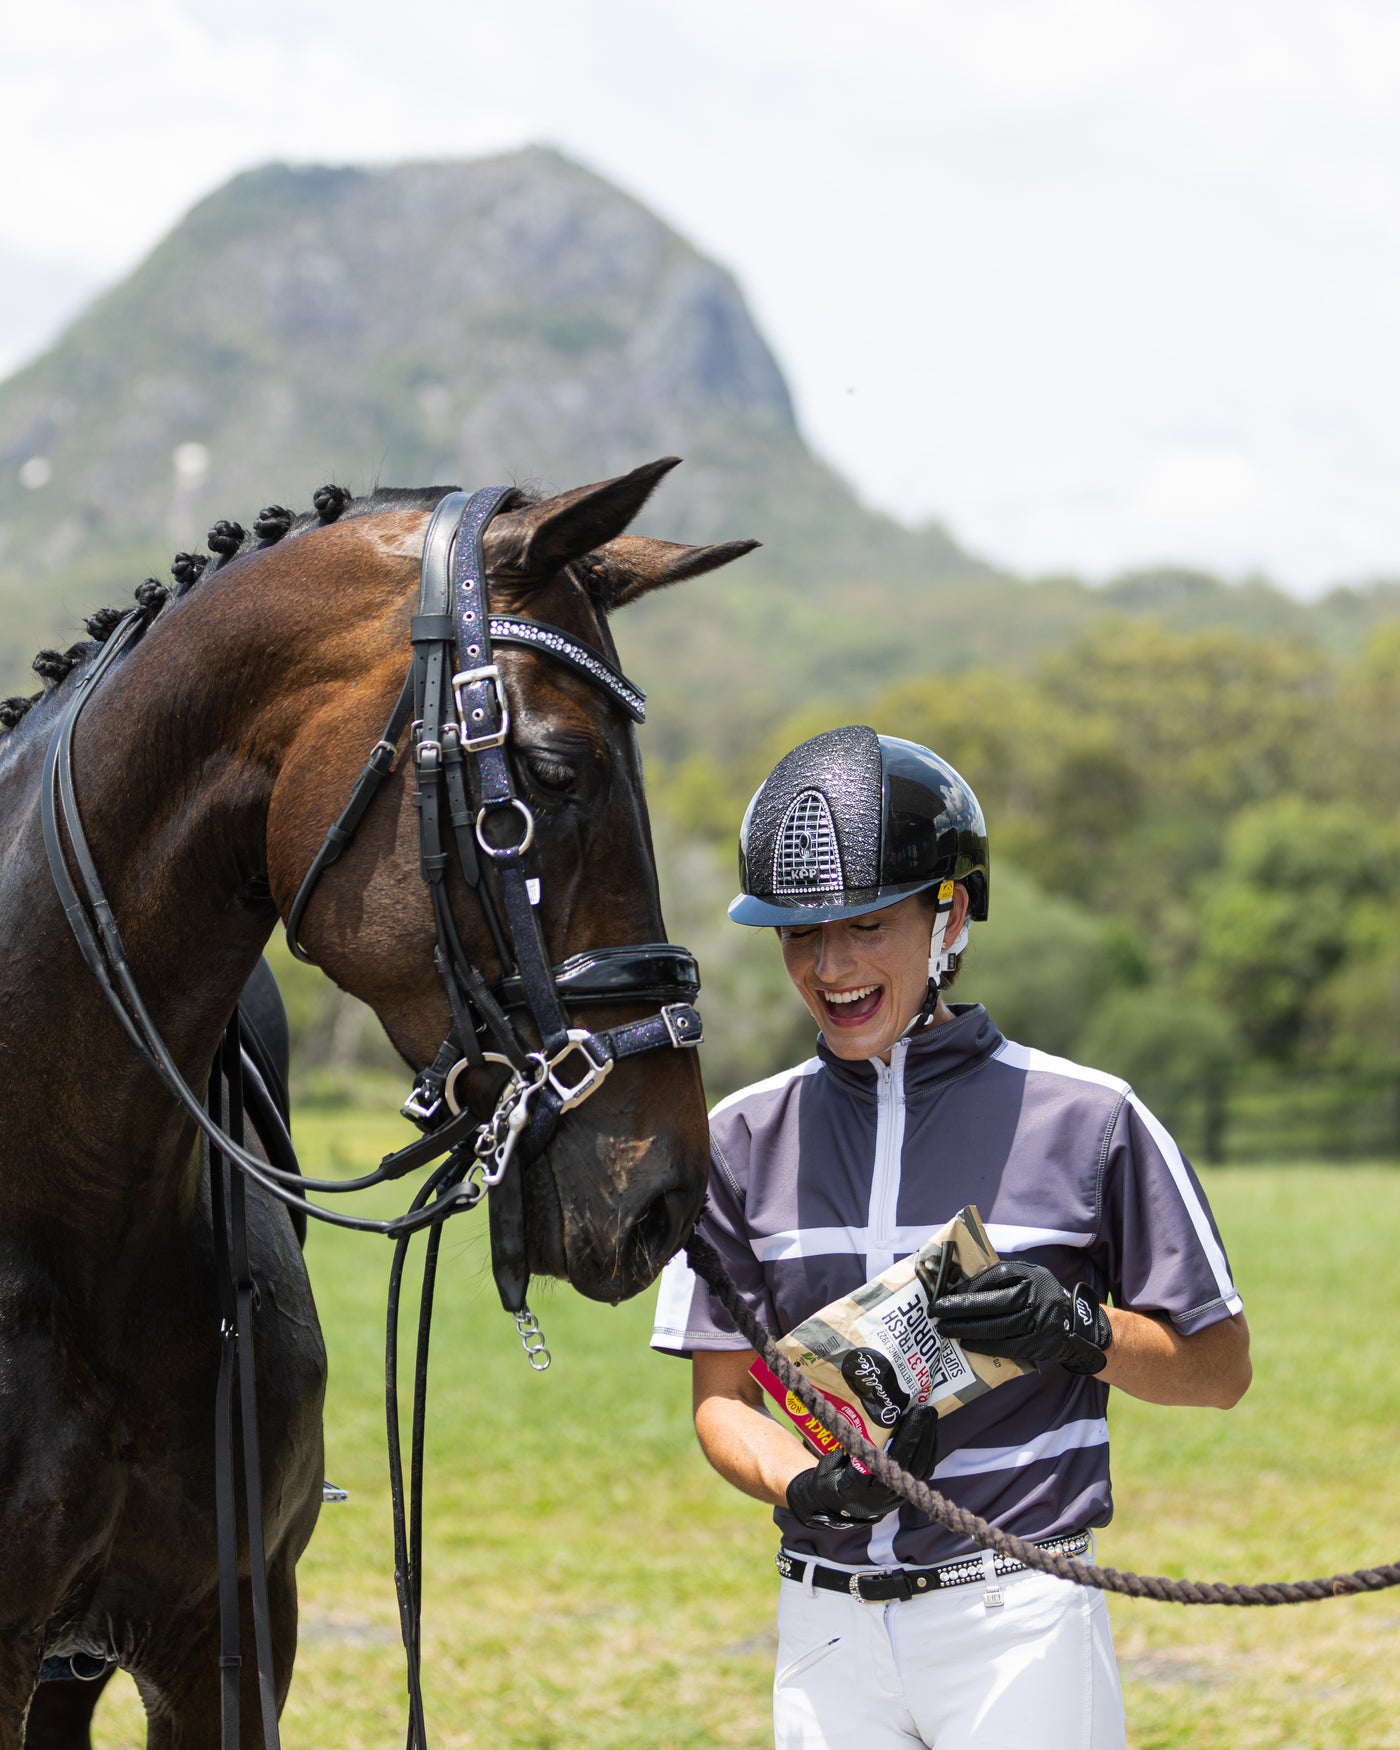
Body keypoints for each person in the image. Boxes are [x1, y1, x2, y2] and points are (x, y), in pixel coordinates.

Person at [651, 725, 1251, 1750]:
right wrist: (801, 1484)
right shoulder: (739, 1139)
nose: (829, 966)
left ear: (950, 917)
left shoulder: (1093, 1118)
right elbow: (722, 1404)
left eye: (866, 925)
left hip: (1016, 1622)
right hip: (825, 1630)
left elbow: (1218, 1370)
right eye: (799, 934)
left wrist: (1077, 1330)